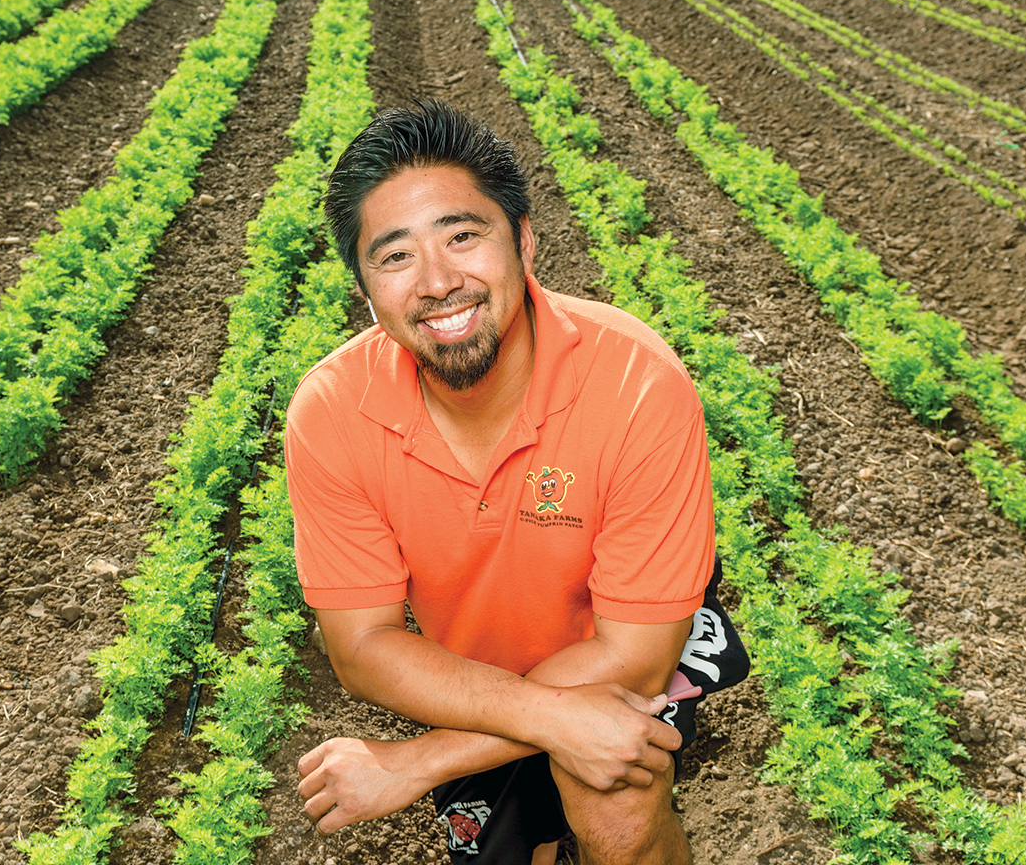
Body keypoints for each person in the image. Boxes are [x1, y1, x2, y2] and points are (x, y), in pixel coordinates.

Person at [285, 100, 747, 865]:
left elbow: (633, 656)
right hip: (476, 668)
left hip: (622, 645)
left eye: (463, 237)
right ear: (363, 288)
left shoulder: (636, 382)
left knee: (616, 793)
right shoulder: (332, 413)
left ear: (525, 241)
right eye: (394, 257)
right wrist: (549, 717)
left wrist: (420, 759)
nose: (437, 282)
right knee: (515, 843)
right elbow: (362, 648)